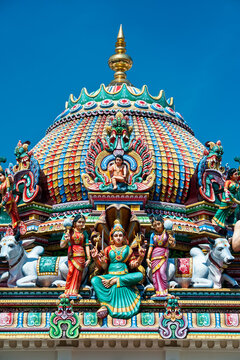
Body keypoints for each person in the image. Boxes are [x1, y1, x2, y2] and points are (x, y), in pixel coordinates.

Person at [91, 220, 145, 319]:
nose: (118, 238)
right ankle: (104, 305)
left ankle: (117, 281)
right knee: (94, 280)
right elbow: (104, 267)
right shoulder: (108, 249)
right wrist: (97, 259)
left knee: (139, 275)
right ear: (112, 238)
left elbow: (133, 265)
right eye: (116, 236)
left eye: (120, 235)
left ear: (124, 237)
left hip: (124, 276)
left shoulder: (128, 249)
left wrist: (140, 257)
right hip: (110, 275)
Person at [60, 214, 90, 298]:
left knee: (78, 274)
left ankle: (75, 291)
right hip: (72, 254)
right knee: (71, 271)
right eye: (79, 222)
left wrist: (89, 258)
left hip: (81, 255)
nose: (81, 224)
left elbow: (87, 245)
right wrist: (66, 240)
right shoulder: (69, 231)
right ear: (74, 223)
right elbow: (61, 245)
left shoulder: (84, 233)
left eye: (83, 222)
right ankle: (67, 291)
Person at [146, 215, 175, 298]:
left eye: (158, 224)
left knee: (162, 272)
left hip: (164, 253)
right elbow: (151, 247)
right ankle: (158, 292)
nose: (157, 227)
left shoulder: (167, 232)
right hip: (155, 255)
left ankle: (164, 291)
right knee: (155, 274)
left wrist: (172, 241)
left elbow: (173, 245)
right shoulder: (153, 235)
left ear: (162, 223)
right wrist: (148, 258)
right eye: (155, 225)